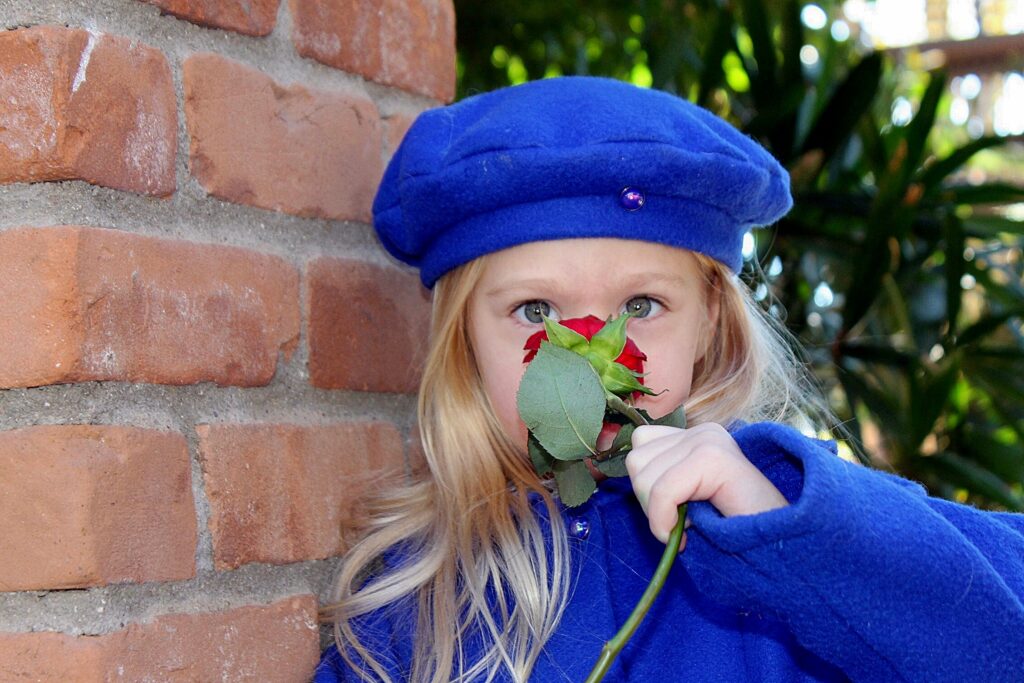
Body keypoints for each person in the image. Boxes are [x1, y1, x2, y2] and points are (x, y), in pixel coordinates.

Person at [314, 76, 1024, 682]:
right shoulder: (411, 597)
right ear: (462, 335)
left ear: (711, 319)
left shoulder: (786, 508)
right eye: (536, 309)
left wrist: (792, 532)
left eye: (641, 306)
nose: (591, 359)